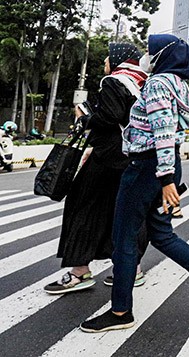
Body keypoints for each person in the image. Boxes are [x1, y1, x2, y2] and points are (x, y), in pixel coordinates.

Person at [80, 34, 189, 333]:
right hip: (161, 164)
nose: (146, 56)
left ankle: (121, 311)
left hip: (146, 167)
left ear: (164, 55)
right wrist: (167, 174)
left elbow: (161, 130)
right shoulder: (180, 86)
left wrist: (164, 179)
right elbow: (174, 130)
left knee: (123, 237)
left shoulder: (159, 83)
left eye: (150, 51)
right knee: (161, 234)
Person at [45, 43, 148, 295]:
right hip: (131, 157)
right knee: (122, 211)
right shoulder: (142, 82)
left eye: (107, 59)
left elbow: (110, 117)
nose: (104, 63)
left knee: (81, 206)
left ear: (117, 59)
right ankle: (131, 269)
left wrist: (85, 118)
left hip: (107, 158)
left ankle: (79, 271)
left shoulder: (113, 81)